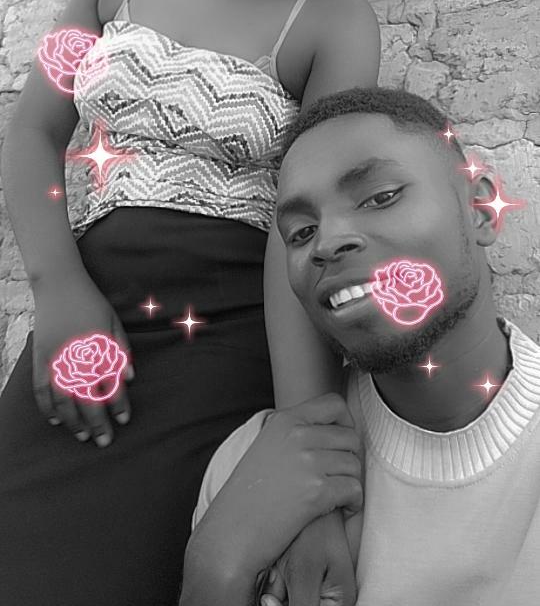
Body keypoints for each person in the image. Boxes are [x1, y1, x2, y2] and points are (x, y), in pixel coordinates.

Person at [0, 0, 432, 606]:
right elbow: (33, 130)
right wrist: (59, 293)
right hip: (80, 309)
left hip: (221, 347)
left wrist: (305, 471)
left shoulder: (336, 24)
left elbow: (306, 229)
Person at [181, 86, 538, 606]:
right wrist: (216, 568)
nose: (327, 242)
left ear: (480, 209)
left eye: (381, 197)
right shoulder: (252, 468)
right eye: (302, 232)